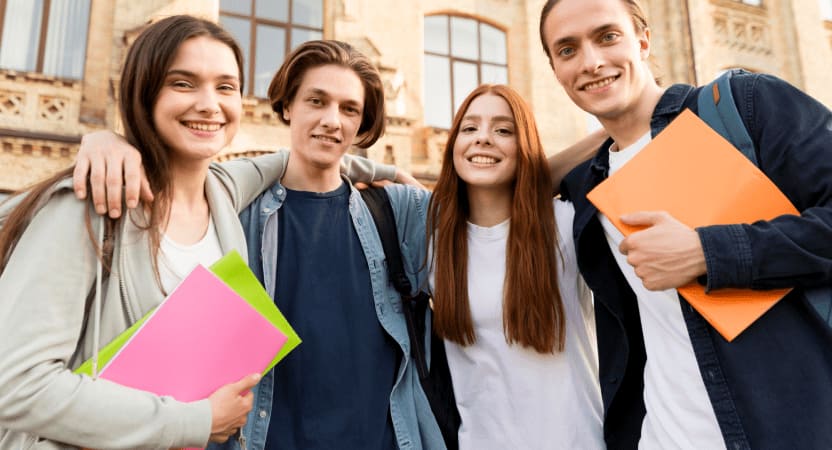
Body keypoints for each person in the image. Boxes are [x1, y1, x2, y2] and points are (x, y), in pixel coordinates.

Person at [539, 0, 832, 448]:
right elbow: (488, 191)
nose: (591, 61)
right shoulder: (587, 186)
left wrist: (707, 252)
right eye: (567, 50)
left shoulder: (745, 108)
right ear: (556, 70)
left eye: (607, 37)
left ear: (643, 40)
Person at [0, 15, 270, 449]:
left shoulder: (225, 192)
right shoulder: (87, 204)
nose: (209, 104)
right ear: (143, 93)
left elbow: (300, 158)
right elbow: (15, 384)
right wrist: (194, 420)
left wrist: (389, 174)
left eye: (226, 87)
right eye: (183, 83)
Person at [427, 84, 603, 448]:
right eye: (469, 128)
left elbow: (626, 136)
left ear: (524, 146)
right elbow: (333, 172)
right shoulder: (431, 240)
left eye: (503, 130)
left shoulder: (567, 225)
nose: (483, 139)